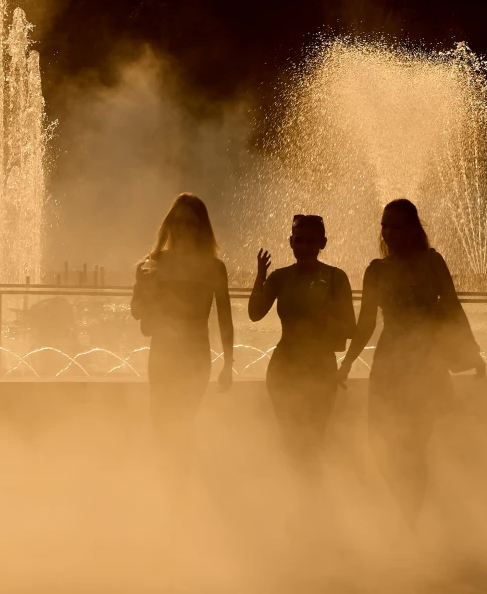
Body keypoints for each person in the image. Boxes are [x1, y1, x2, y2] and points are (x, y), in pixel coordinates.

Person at [338, 199, 485, 528]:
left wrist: (470, 352)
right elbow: (365, 324)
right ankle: (406, 509)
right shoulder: (376, 270)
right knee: (379, 443)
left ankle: (408, 522)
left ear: (412, 229)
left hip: (425, 362)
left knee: (414, 447)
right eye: (384, 226)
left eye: (395, 225)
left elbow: (452, 308)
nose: (388, 232)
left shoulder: (432, 263)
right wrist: (347, 362)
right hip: (390, 360)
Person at [130, 193, 234, 486]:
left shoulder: (214, 268)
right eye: (176, 222)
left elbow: (225, 318)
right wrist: (148, 289)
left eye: (189, 223)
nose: (181, 228)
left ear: (201, 228)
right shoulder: (150, 265)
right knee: (162, 425)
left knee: (180, 424)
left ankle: (176, 492)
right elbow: (137, 312)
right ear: (168, 225)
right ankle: (170, 488)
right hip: (162, 353)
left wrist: (228, 363)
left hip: (195, 356)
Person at [247, 215, 354, 472]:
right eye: (298, 241)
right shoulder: (280, 278)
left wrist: (324, 309)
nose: (304, 247)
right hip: (284, 367)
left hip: (320, 368)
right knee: (290, 437)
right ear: (290, 243)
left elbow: (349, 326)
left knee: (314, 438)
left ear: (322, 243)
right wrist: (260, 275)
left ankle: (310, 496)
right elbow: (254, 313)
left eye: (310, 241)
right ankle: (300, 494)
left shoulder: (336, 278)